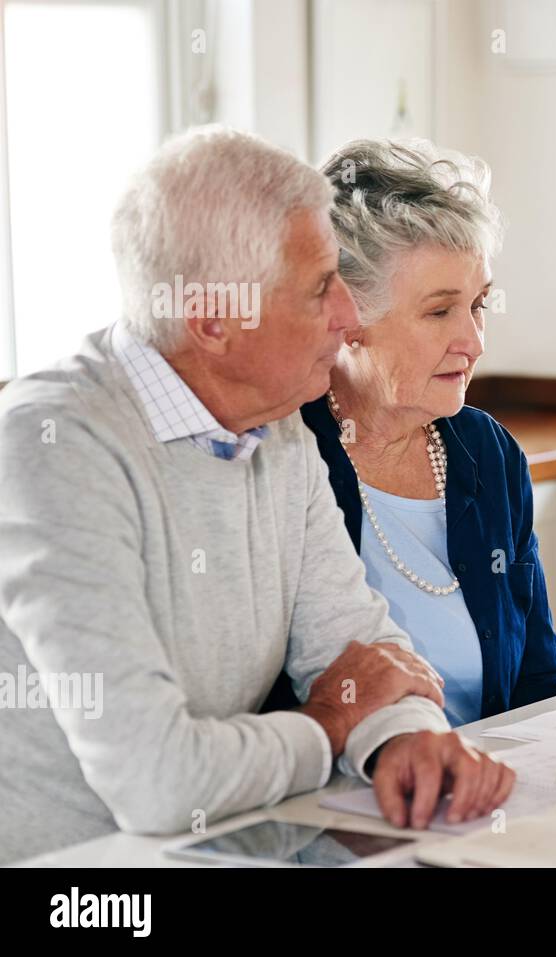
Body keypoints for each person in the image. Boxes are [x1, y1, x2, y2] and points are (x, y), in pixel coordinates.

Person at [0, 127, 513, 864]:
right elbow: (158, 779)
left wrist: (409, 739)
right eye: (319, 289)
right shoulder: (54, 443)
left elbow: (363, 650)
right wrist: (331, 724)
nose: (347, 316)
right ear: (213, 320)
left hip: (227, 845)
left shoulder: (278, 427)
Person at [283, 138, 556, 728]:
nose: (474, 340)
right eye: (440, 311)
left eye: (480, 305)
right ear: (349, 318)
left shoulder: (488, 454)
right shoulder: (286, 457)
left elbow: (540, 680)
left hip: (483, 799)